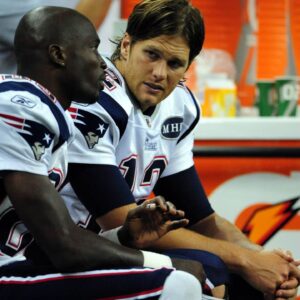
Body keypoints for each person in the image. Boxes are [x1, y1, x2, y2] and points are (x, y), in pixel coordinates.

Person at [60, 0, 300, 299]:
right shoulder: (92, 96)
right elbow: (120, 221)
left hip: (114, 246)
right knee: (209, 271)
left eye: (174, 63)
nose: (160, 72)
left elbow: (203, 218)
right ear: (126, 45)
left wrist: (264, 257)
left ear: (189, 65)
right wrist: (245, 260)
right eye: (151, 54)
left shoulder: (179, 106)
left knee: (257, 282)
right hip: (62, 247)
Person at [0, 6, 208, 300]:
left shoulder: (51, 115)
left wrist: (125, 236)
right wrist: (166, 263)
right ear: (60, 56)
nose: (102, 63)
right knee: (178, 283)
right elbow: (64, 246)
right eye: (93, 49)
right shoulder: (19, 106)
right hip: (11, 269)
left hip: (22, 264)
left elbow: (47, 242)